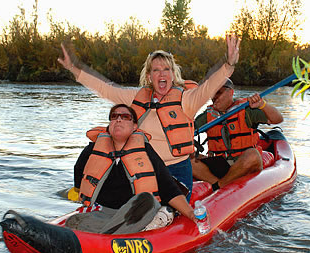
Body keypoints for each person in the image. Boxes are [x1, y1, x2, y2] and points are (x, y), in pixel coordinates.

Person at [57, 35, 240, 201]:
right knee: (98, 153)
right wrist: (74, 69)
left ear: (173, 74)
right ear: (149, 76)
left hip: (176, 174)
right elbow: (105, 89)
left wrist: (229, 65)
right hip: (143, 169)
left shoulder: (187, 100)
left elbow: (209, 86)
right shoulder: (136, 97)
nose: (162, 74)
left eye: (166, 69)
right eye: (156, 70)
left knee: (156, 209)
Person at [65, 104, 196, 234]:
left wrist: (190, 213)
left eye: (125, 117)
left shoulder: (146, 151)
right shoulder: (91, 150)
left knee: (146, 200)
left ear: (134, 127)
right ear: (109, 125)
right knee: (73, 221)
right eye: (114, 116)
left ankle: (108, 236)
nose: (118, 119)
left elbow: (169, 189)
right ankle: (115, 232)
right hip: (105, 214)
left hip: (137, 212)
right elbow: (79, 185)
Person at [192, 79, 283, 192]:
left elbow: (278, 119)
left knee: (253, 155)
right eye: (212, 93)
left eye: (218, 92)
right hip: (220, 164)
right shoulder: (208, 115)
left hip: (244, 164)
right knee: (188, 159)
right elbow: (189, 131)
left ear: (230, 92)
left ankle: (219, 186)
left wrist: (262, 105)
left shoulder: (247, 110)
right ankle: (217, 184)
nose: (214, 97)